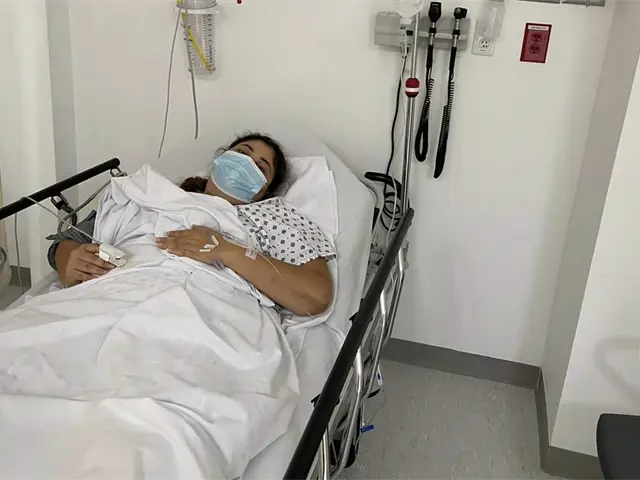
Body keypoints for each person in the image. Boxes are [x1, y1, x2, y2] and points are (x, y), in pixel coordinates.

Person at [47, 133, 334, 316]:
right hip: (114, 294)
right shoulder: (153, 192)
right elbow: (66, 243)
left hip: (200, 310)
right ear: (220, 159)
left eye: (260, 167)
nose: (246, 163)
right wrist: (70, 261)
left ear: (264, 191)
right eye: (242, 153)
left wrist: (226, 250)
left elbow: (314, 295)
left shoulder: (273, 216)